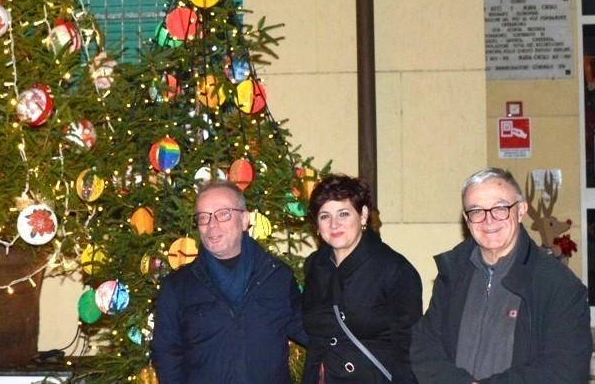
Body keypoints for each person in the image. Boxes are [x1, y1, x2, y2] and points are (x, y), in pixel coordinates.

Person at [411, 167, 591, 383]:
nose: (489, 220)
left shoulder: (558, 284)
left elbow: (565, 370)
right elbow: (425, 347)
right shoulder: (453, 273)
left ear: (521, 210)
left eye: (500, 208)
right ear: (467, 220)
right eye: (476, 210)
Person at [151, 179, 307, 384]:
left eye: (223, 214)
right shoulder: (178, 286)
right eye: (203, 217)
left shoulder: (277, 277)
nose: (212, 225)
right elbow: (166, 354)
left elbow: (311, 329)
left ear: (244, 220)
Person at [301, 174, 422, 383]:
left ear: (363, 215)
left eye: (344, 213)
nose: (334, 224)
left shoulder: (394, 270)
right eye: (324, 216)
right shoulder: (315, 265)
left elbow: (408, 347)